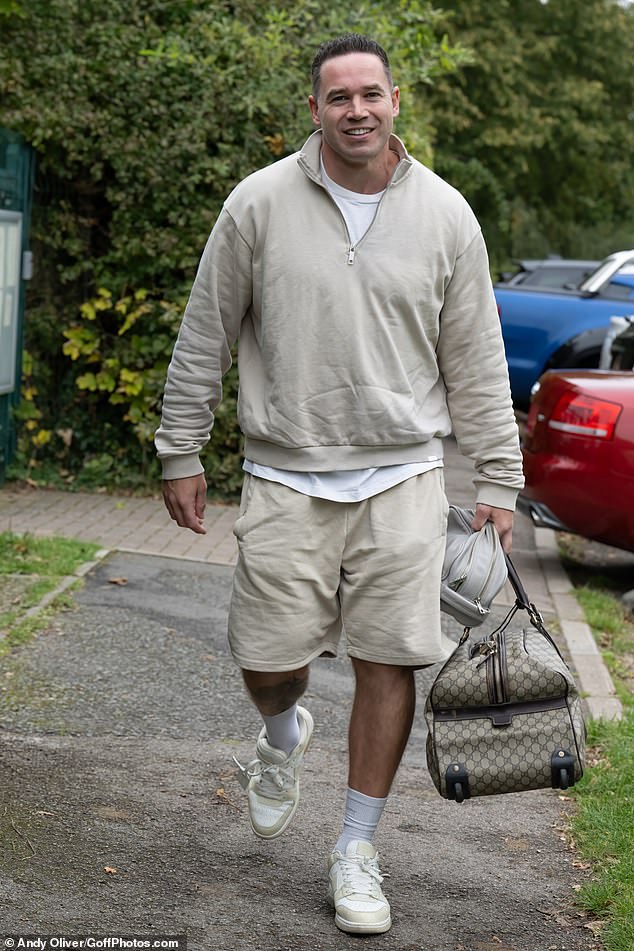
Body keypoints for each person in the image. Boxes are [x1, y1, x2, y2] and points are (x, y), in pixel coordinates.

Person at [155, 33, 524, 936]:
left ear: (396, 100)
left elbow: (476, 355)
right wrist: (180, 447)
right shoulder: (259, 204)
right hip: (286, 471)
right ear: (313, 110)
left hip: (404, 476)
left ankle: (356, 845)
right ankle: (281, 734)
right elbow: (207, 328)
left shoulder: (446, 215)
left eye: (371, 94)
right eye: (337, 97)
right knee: (266, 659)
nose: (356, 109)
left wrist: (500, 478)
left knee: (389, 658)